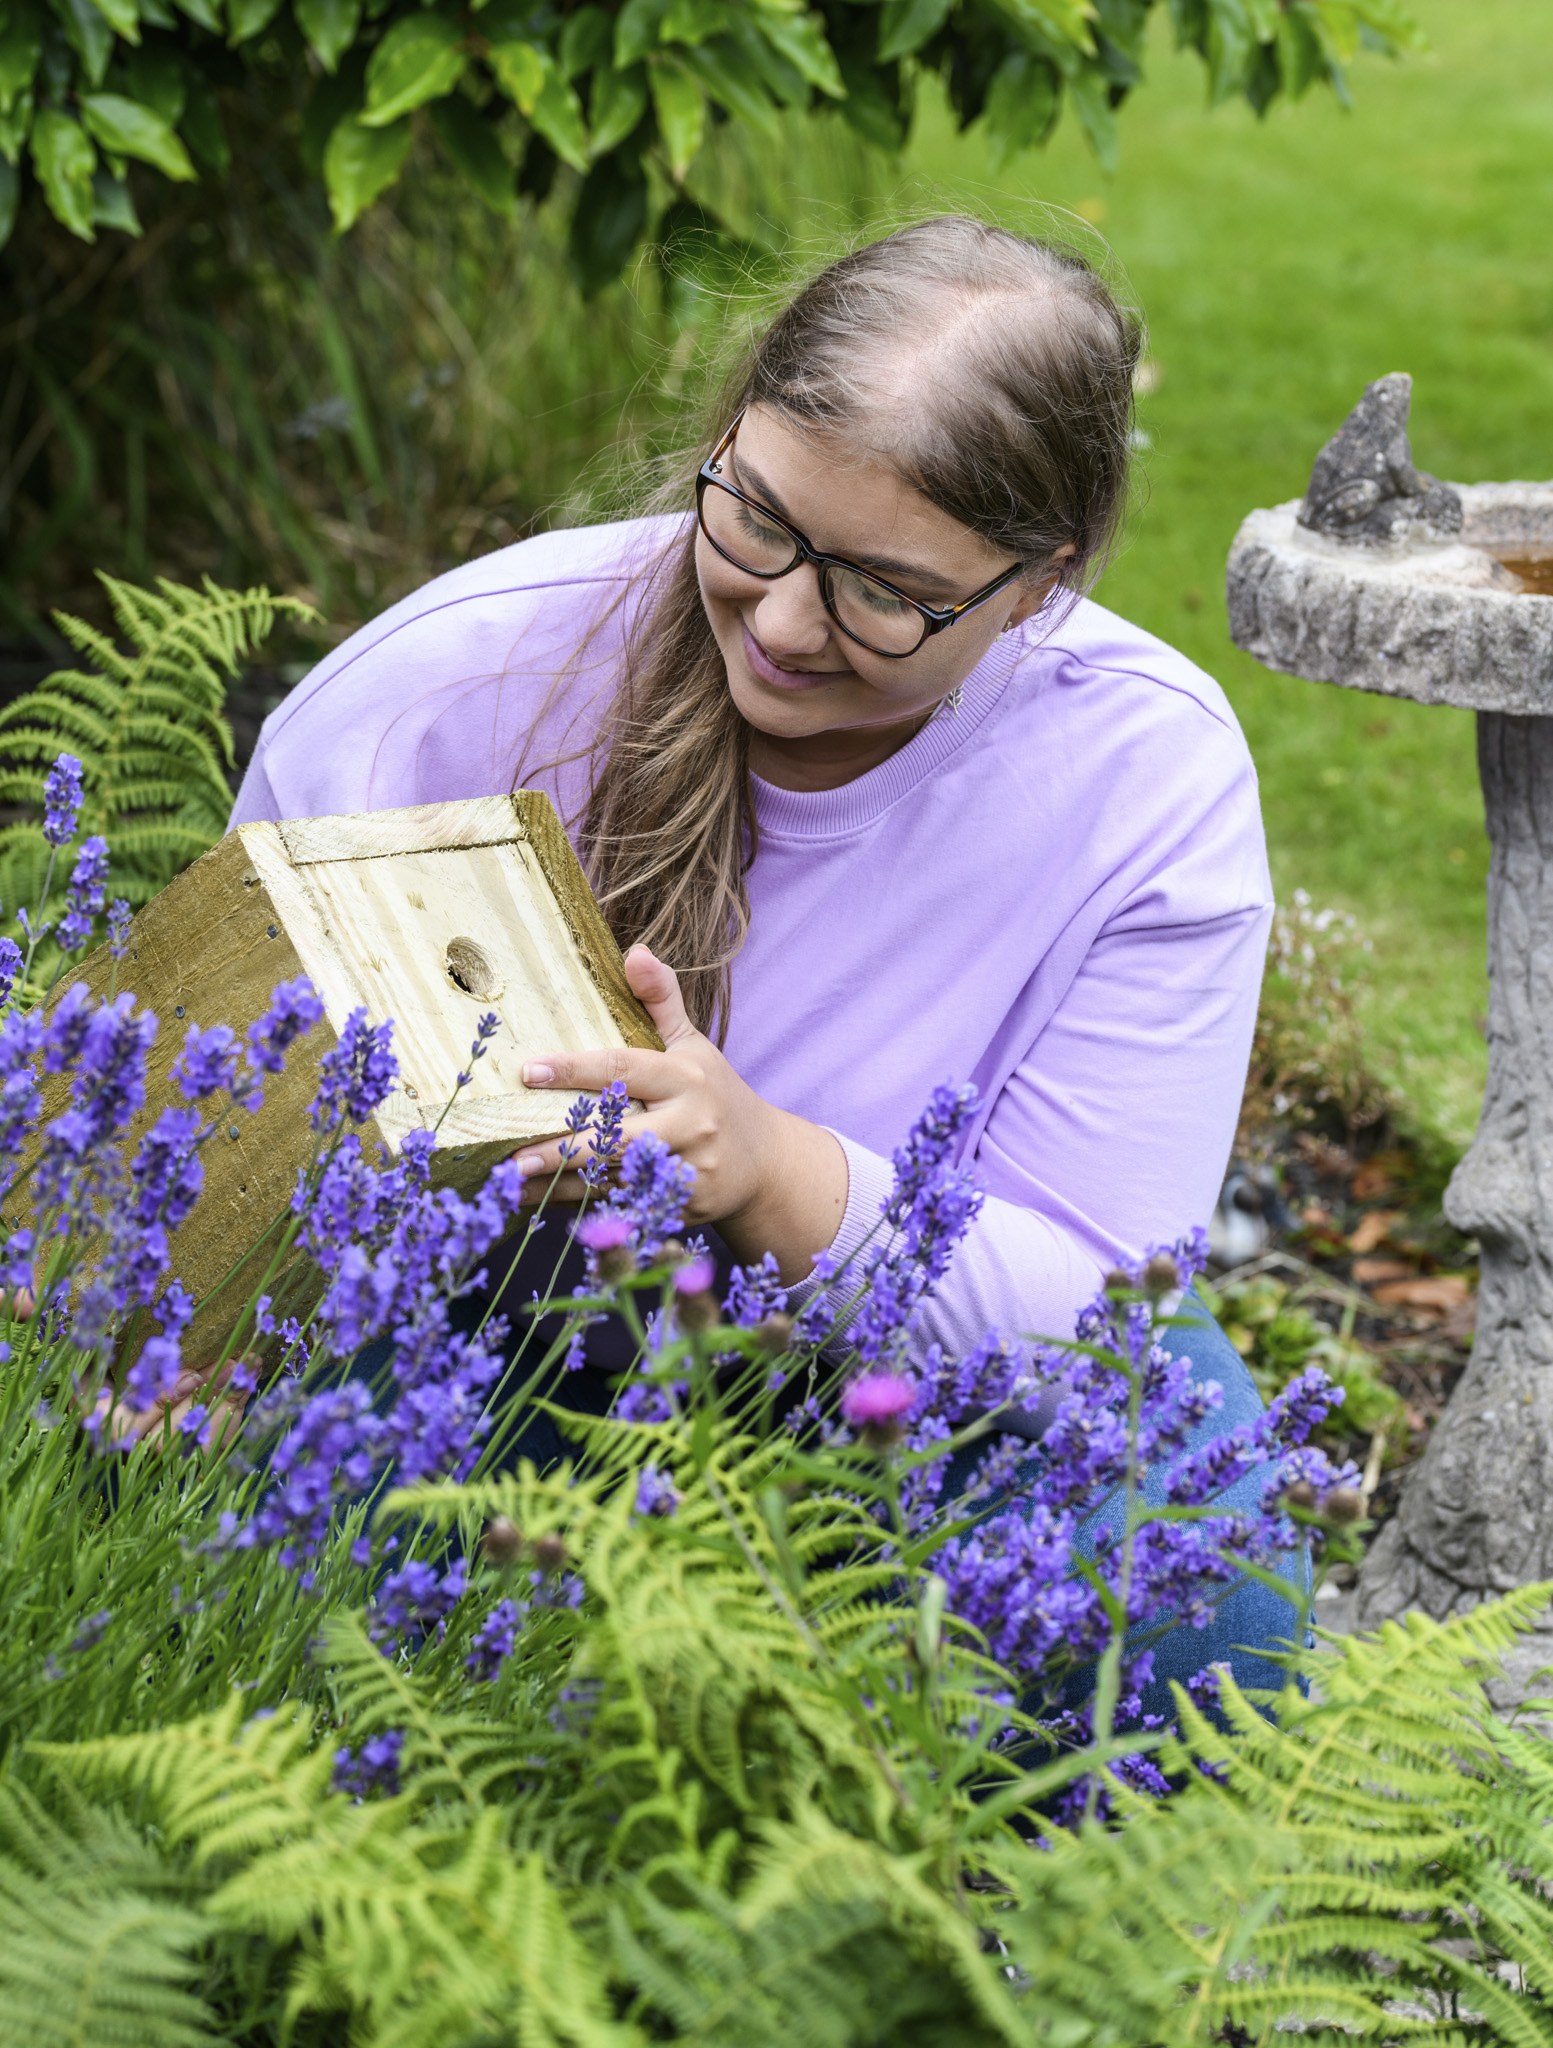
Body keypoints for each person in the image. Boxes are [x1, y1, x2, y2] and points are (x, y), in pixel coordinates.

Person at [231, 215, 1298, 1693]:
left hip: (894, 1387)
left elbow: (1099, 1306)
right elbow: (224, 1082)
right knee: (284, 1487)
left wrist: (767, 1172)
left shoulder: (1141, 781)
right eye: (753, 520)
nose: (784, 621)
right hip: (485, 1331)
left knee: (1200, 1574)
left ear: (1038, 582)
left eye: (880, 588)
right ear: (727, 434)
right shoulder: (454, 683)